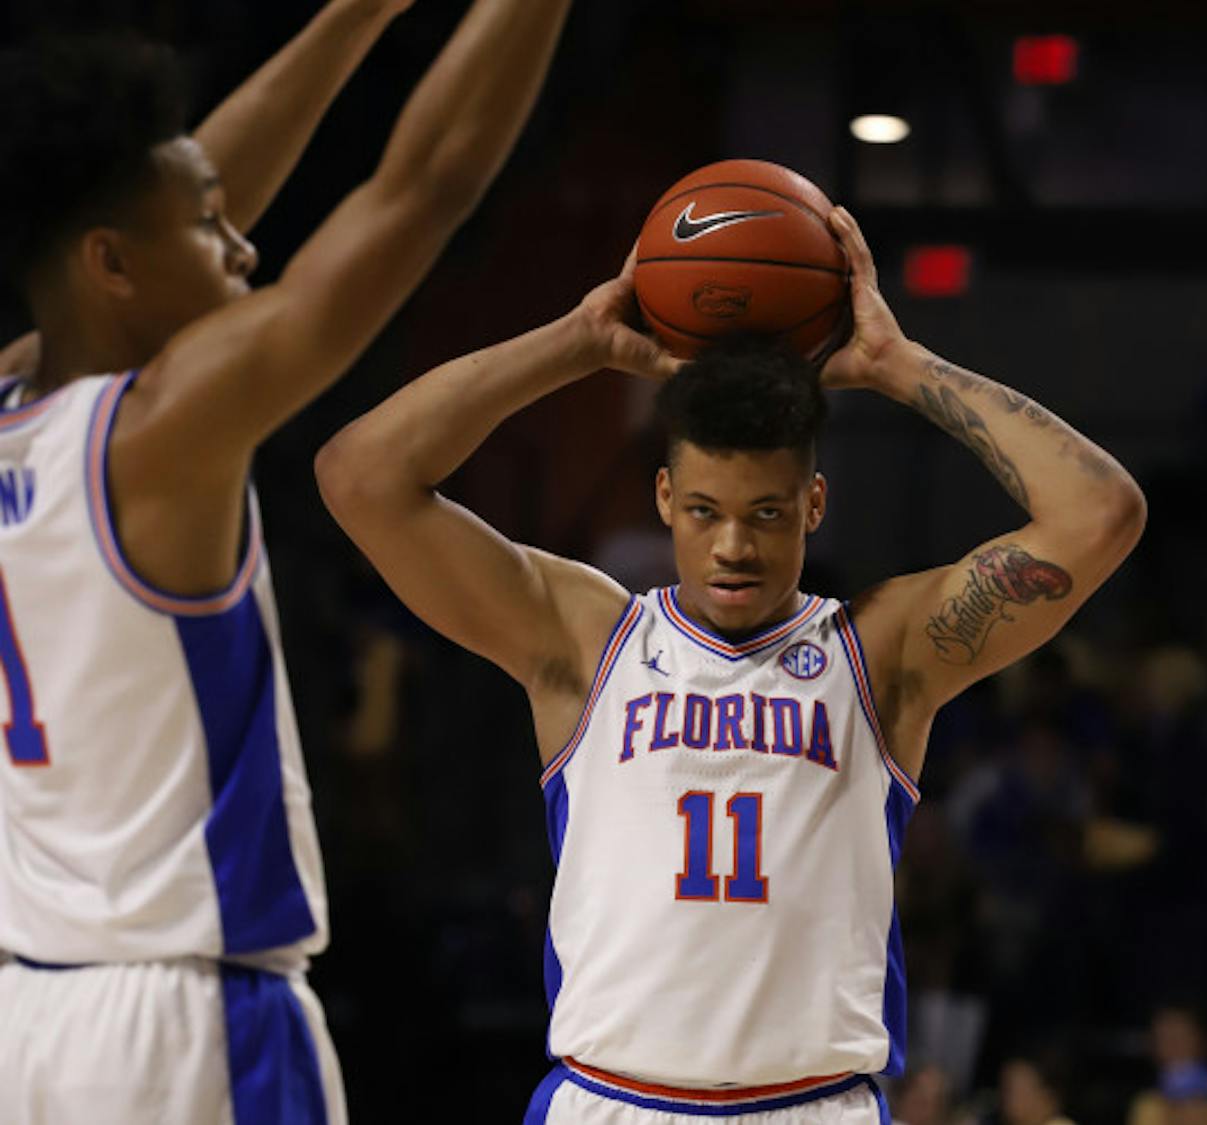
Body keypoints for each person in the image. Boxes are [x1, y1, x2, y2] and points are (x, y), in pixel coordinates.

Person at [316, 206, 1146, 1121]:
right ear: (664, 497)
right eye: (705, 511)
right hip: (612, 1100)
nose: (733, 547)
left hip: (812, 1103)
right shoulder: (586, 641)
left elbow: (1100, 512)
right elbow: (360, 476)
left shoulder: (880, 652)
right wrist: (576, 342)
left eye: (767, 514)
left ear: (815, 504)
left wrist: (900, 366)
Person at [0, 0, 573, 1121]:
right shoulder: (156, 435)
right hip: (186, 1025)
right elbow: (424, 190)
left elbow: (172, 199)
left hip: (30, 1017)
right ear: (112, 262)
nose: (243, 246)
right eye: (211, 229)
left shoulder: (22, 397)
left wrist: (355, 14)